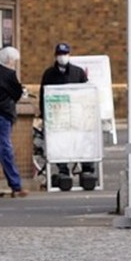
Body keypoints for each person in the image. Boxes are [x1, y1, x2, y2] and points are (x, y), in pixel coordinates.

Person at [39, 42, 94, 182]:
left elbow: (86, 93)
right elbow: (43, 95)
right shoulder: (49, 74)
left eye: (64, 54)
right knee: (59, 143)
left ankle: (87, 168)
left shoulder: (78, 72)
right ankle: (63, 170)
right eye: (60, 54)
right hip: (57, 117)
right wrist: (44, 114)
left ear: (69, 55)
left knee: (81, 142)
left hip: (77, 116)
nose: (62, 57)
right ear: (55, 56)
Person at [0, 46, 28, 198]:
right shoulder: (9, 74)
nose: (14, 64)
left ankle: (16, 185)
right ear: (8, 60)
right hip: (2, 115)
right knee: (5, 149)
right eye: (14, 61)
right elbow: (17, 93)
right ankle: (16, 185)